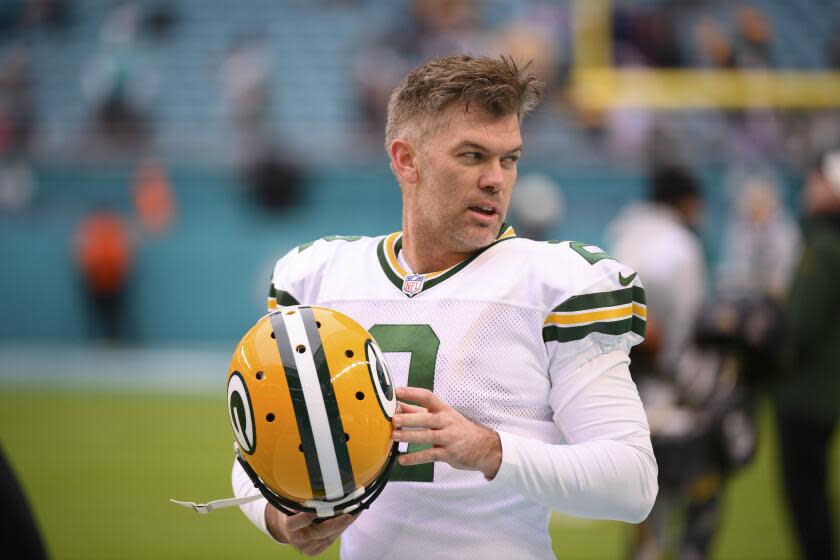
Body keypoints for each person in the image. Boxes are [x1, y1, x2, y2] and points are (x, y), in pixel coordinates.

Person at [233, 55, 658, 559]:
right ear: (406, 159)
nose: (496, 179)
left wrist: (490, 449)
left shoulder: (556, 285)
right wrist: (277, 517)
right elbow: (260, 449)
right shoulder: (320, 278)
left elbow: (633, 483)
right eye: (473, 155)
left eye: (510, 159)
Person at [607, 165, 746, 560]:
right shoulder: (679, 247)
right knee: (698, 505)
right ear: (685, 202)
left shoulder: (625, 233)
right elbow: (687, 330)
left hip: (626, 390)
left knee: (646, 509)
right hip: (673, 393)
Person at [772, 148, 840, 560]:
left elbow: (800, 325)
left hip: (807, 392)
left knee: (807, 500)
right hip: (821, 390)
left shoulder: (825, 247)